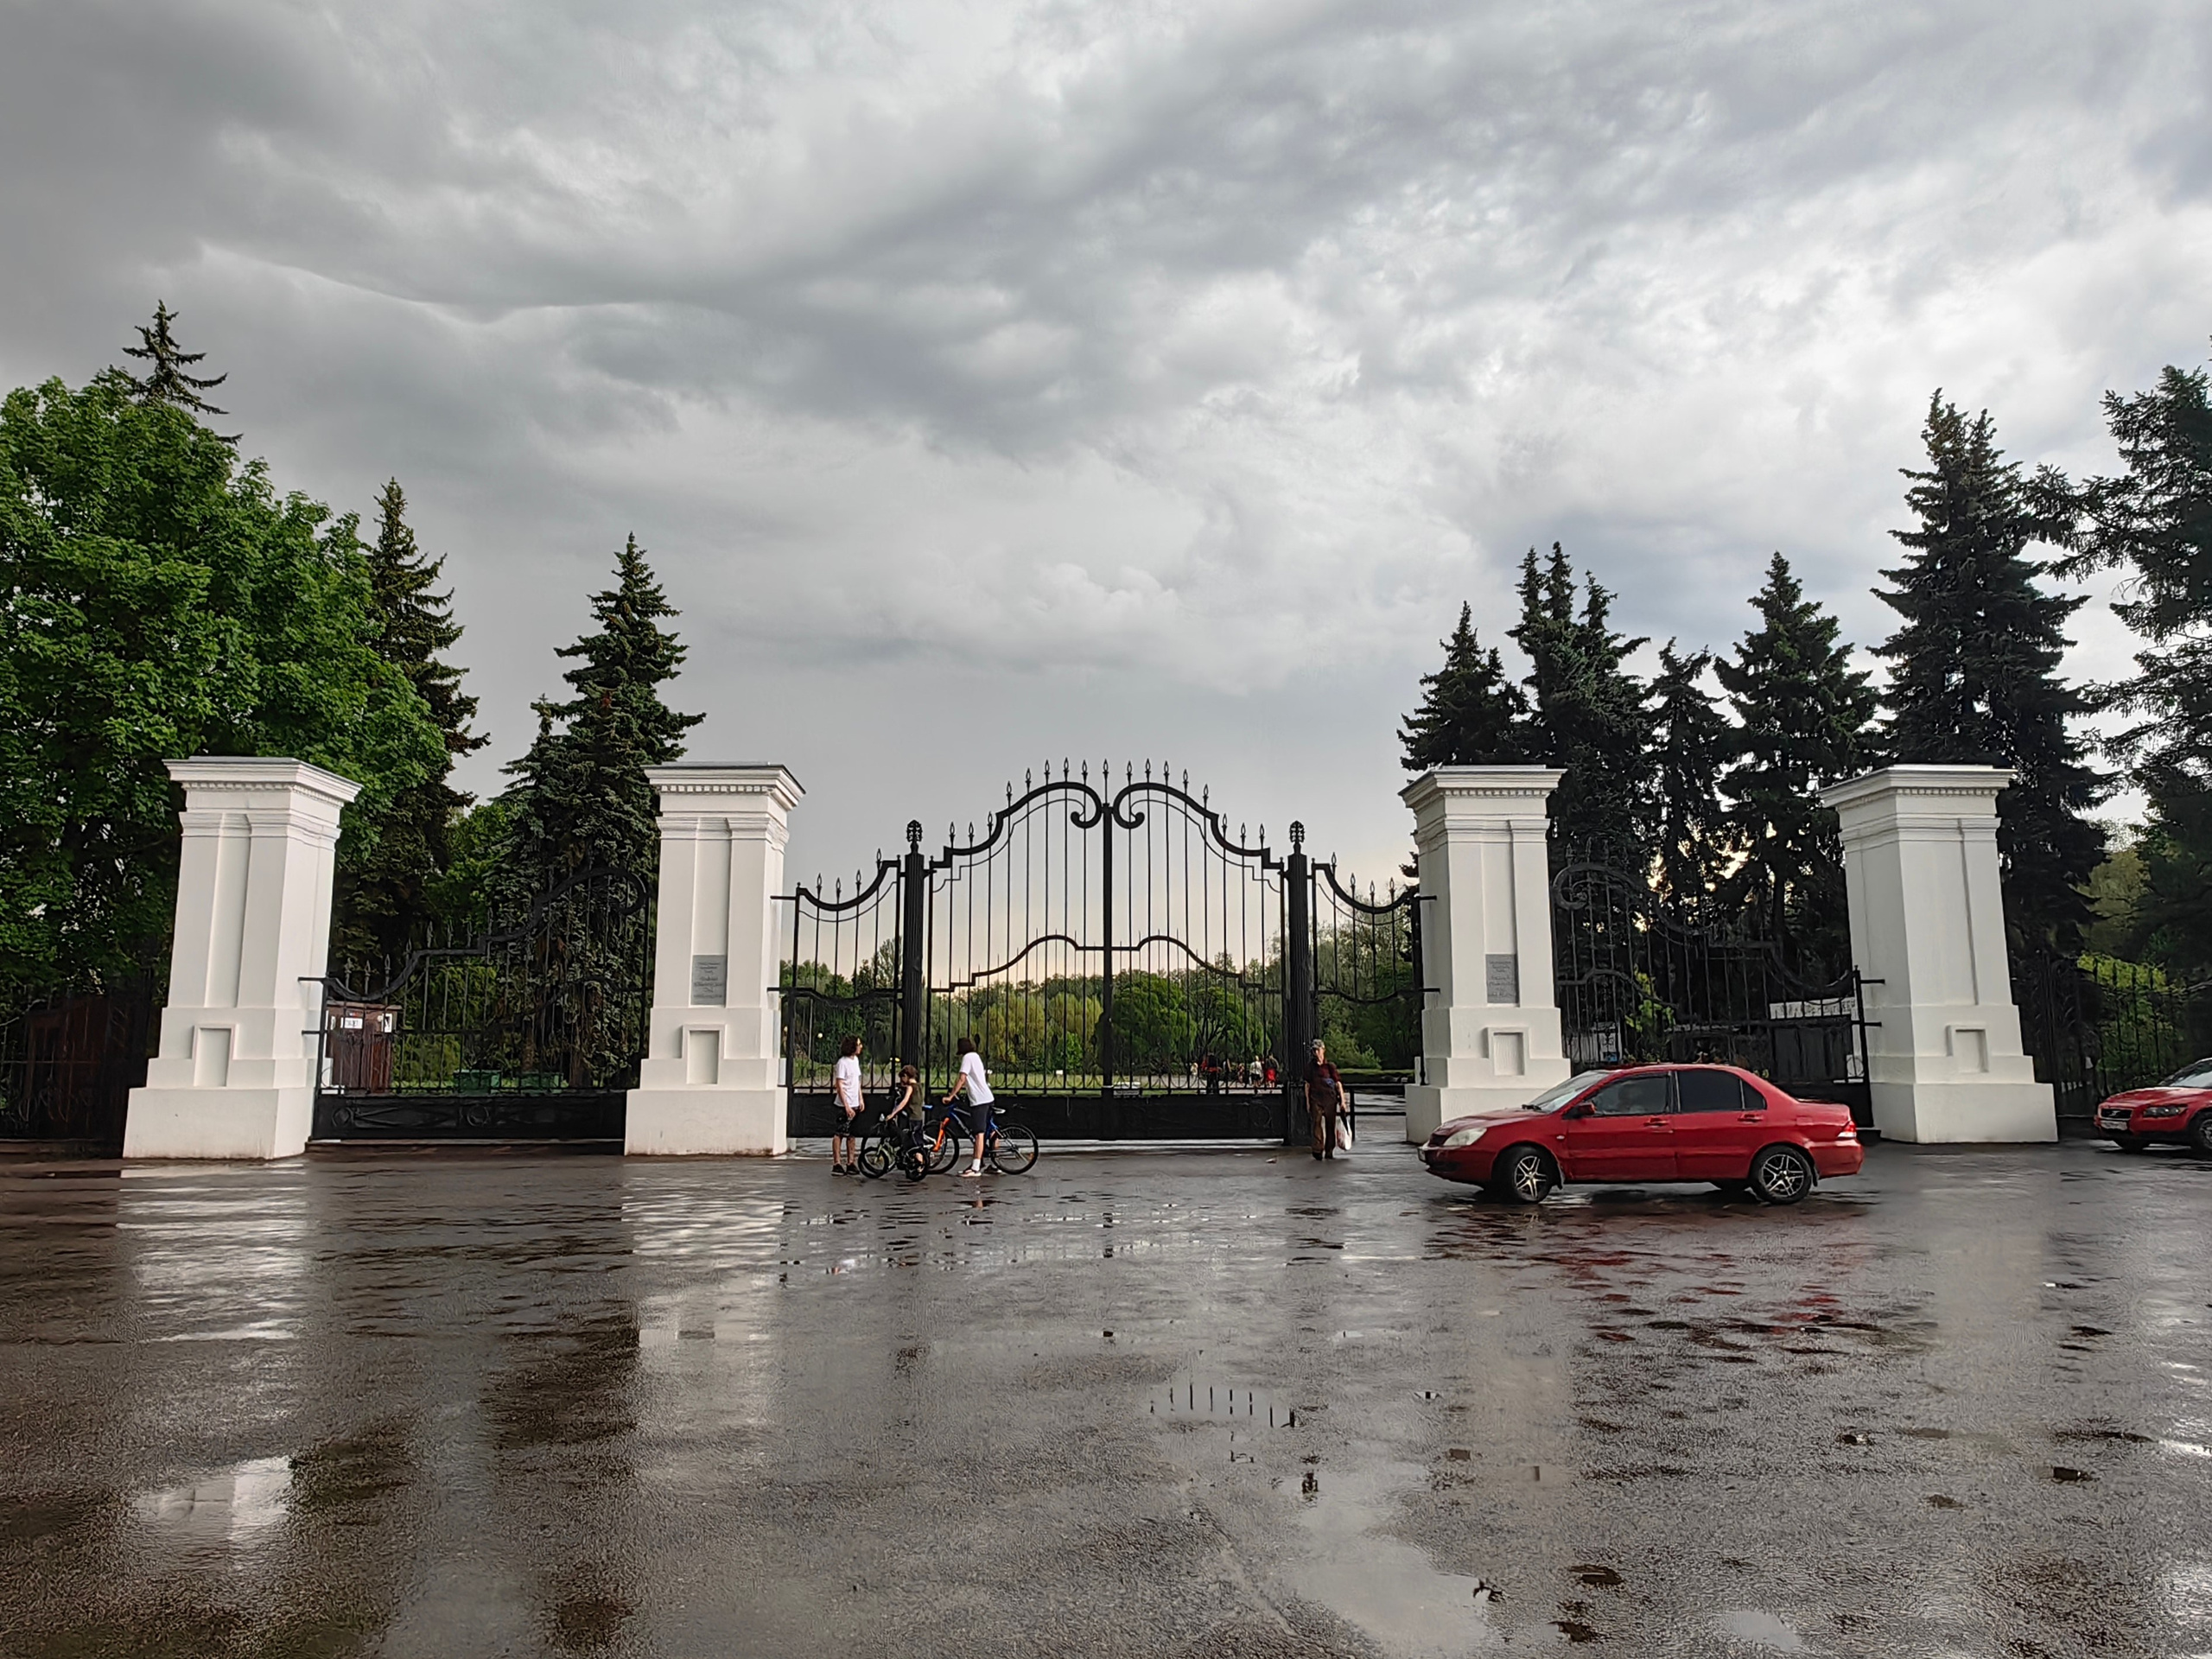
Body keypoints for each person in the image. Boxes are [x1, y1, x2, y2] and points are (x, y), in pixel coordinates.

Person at [943, 1035, 995, 1177]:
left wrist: (951, 1096)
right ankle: (994, 1163)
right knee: (991, 1131)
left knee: (979, 1133)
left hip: (979, 1100)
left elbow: (962, 1078)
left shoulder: (967, 1058)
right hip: (988, 1097)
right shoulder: (976, 1056)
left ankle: (976, 1167)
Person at [1306, 1039, 1346, 1161]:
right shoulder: (1310, 1067)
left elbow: (1338, 1083)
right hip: (1316, 1098)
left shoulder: (1330, 1067)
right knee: (1317, 1123)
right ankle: (1318, 1149)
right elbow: (1307, 1084)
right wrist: (1308, 1102)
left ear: (1323, 1050)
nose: (1316, 1053)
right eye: (1314, 1050)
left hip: (1330, 1099)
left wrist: (1343, 1101)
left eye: (1318, 1050)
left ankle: (1329, 1149)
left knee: (1330, 1124)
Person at [830, 1034, 865, 1173]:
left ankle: (851, 1162)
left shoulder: (855, 1061)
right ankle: (837, 1162)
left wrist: (860, 1099)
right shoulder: (842, 1063)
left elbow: (857, 1082)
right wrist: (846, 1106)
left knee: (852, 1134)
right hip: (844, 1104)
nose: (861, 1046)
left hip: (854, 1102)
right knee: (839, 1133)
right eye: (859, 1044)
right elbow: (839, 1085)